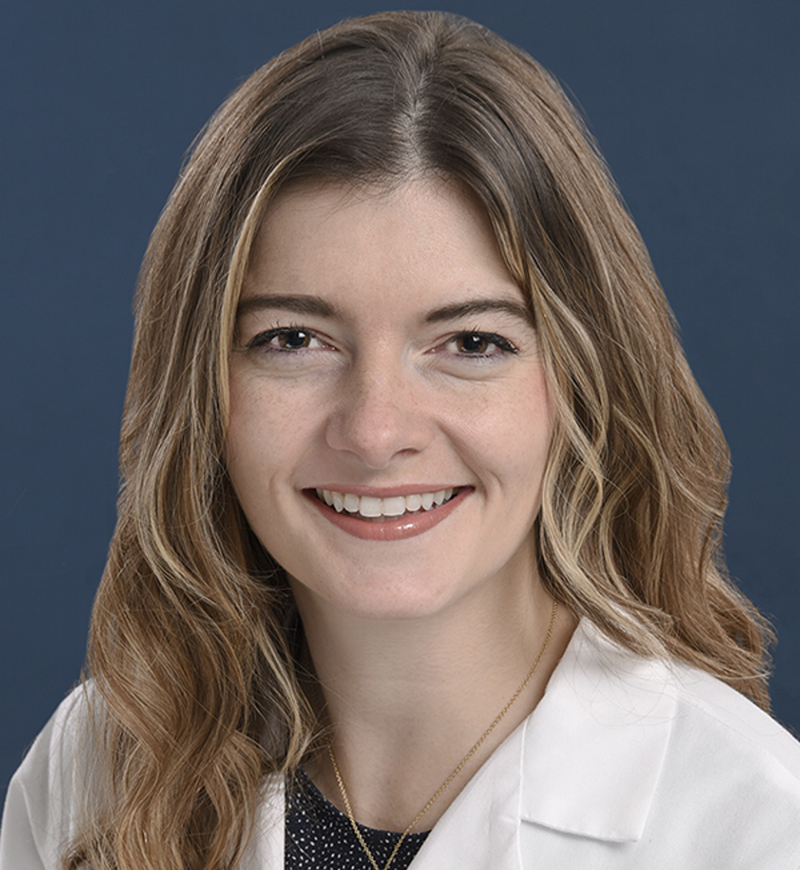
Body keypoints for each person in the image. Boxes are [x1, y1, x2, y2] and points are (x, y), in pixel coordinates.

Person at [2, 10, 799, 870]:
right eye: (294, 340)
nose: (377, 432)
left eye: (471, 344)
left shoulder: (752, 825)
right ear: (201, 386)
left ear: (585, 382)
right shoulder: (97, 769)